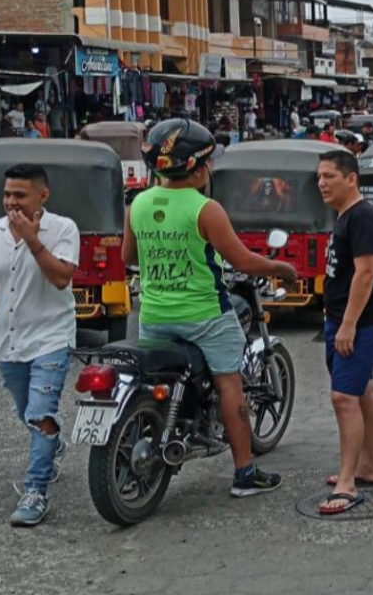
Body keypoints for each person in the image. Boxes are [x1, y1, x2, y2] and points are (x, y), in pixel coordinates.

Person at [124, 119, 298, 499]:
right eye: (209, 163)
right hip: (205, 316)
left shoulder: (138, 203)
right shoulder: (206, 209)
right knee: (230, 384)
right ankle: (245, 474)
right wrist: (280, 268)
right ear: (197, 167)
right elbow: (244, 261)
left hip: (153, 317)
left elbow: (129, 256)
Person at [0, 165, 78, 526]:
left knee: (40, 414)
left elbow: (61, 278)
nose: (11, 202)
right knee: (27, 413)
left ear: (42, 196)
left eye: (20, 195)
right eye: (8, 194)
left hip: (52, 340)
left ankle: (35, 490)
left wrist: (32, 240)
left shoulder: (62, 229)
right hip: (9, 345)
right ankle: (52, 445)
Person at [316, 150, 373, 515]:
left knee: (343, 398)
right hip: (343, 318)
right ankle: (367, 465)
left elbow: (366, 273)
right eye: (319, 177)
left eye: (329, 176)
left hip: (357, 321)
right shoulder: (346, 216)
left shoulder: (362, 217)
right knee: (361, 389)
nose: (322, 183)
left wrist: (348, 323)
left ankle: (348, 482)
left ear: (351, 179)